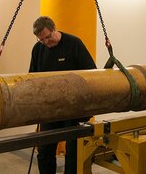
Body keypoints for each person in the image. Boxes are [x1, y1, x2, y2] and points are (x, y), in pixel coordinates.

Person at [29, 16, 96, 174]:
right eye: (41, 40)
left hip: (74, 108)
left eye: (47, 37)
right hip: (50, 109)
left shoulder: (74, 44)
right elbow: (32, 77)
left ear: (54, 29)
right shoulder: (38, 49)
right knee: (45, 150)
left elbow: (92, 73)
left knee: (73, 152)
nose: (46, 42)